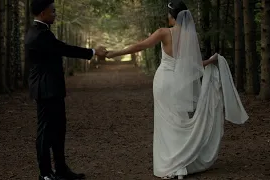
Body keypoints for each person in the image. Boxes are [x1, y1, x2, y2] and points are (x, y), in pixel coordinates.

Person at [107, 1, 248, 179]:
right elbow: (193, 66)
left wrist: (114, 53)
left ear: (173, 16)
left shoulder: (163, 32)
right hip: (180, 83)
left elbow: (140, 46)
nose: (167, 17)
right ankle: (182, 164)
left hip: (164, 81)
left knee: (166, 122)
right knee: (179, 119)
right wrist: (211, 61)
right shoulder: (190, 36)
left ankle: (171, 165)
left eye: (168, 14)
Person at [24, 0, 107, 179]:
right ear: (42, 13)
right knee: (45, 132)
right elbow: (64, 49)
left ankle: (61, 170)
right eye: (52, 11)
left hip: (52, 89)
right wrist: (92, 52)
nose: (55, 13)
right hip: (46, 90)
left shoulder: (40, 31)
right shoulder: (40, 35)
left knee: (59, 129)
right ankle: (45, 174)